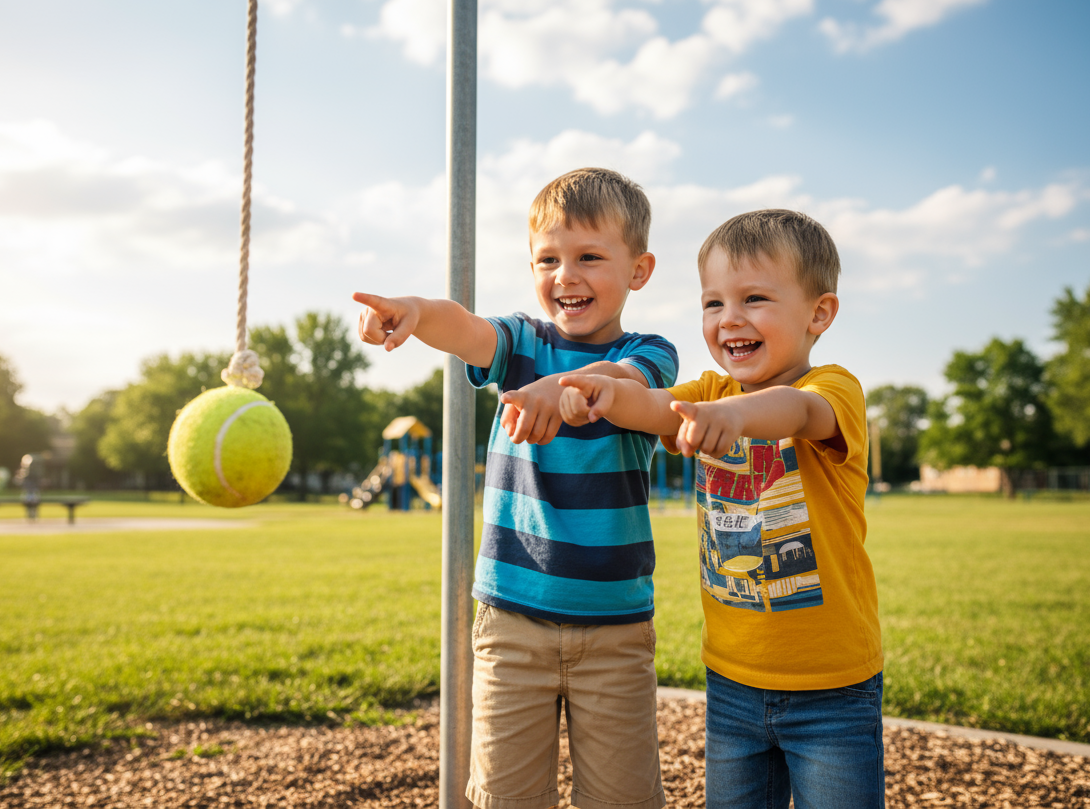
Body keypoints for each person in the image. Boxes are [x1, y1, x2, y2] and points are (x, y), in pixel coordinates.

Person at [353, 167, 678, 809]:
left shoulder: (652, 352)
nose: (567, 275)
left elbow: (618, 384)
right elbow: (465, 327)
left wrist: (558, 391)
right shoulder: (521, 343)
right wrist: (416, 314)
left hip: (613, 631)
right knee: (506, 797)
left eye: (589, 256)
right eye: (548, 259)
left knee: (623, 799)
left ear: (638, 270)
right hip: (510, 624)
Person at [559, 209, 884, 809]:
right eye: (713, 303)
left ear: (819, 313)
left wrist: (734, 417)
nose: (729, 318)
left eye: (755, 298)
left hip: (832, 690)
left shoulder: (833, 388)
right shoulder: (708, 394)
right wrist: (604, 392)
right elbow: (651, 407)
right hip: (732, 683)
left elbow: (795, 412)